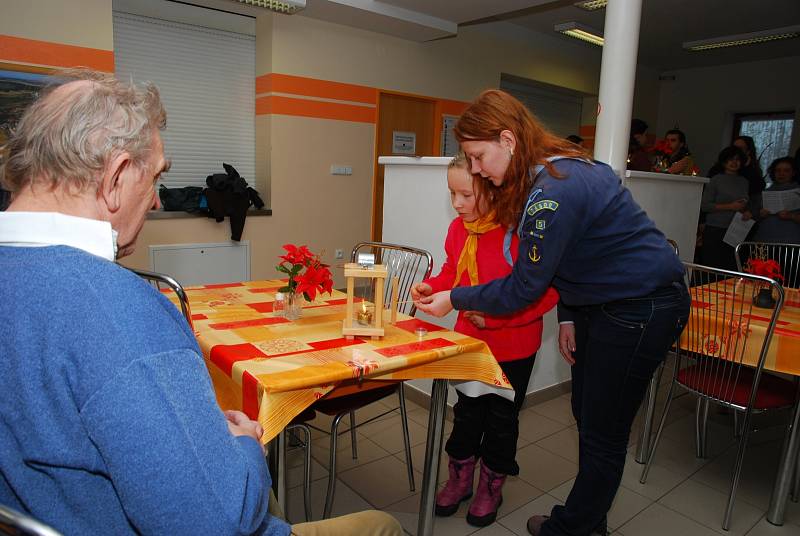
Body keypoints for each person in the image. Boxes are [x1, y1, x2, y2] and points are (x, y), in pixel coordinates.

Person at [0, 69, 402, 536]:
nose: (153, 202)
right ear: (115, 176)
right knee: (382, 526)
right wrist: (248, 444)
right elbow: (214, 524)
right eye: (154, 178)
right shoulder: (123, 312)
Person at [414, 89, 690, 536]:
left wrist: (457, 299)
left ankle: (574, 528)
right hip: (606, 306)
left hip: (640, 308)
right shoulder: (559, 167)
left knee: (603, 432)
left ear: (508, 139)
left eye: (479, 156)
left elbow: (527, 285)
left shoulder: (552, 192)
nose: (478, 169)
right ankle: (589, 519)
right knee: (588, 414)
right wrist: (571, 316)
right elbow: (575, 259)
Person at [411, 153, 558, 527]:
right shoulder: (459, 230)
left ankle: (491, 486)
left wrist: (495, 318)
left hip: (514, 347)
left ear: (494, 191)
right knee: (466, 414)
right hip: (470, 343)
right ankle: (460, 478)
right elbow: (452, 272)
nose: (457, 204)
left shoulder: (521, 233)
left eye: (466, 195)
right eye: (452, 194)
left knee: (502, 420)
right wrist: (433, 286)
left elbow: (545, 294)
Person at [700, 146, 750, 270]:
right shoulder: (716, 180)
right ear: (724, 162)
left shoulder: (744, 181)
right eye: (730, 159)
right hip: (716, 228)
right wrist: (730, 206)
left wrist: (746, 211)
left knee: (732, 264)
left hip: (737, 228)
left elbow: (745, 202)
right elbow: (705, 205)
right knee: (713, 265)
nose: (734, 162)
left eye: (737, 159)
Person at [752, 157, 800, 244]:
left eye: (786, 170)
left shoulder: (798, 192)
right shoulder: (766, 192)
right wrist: (760, 214)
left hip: (790, 242)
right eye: (778, 170)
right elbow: (752, 216)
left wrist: (791, 216)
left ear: (793, 173)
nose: (781, 173)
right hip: (763, 240)